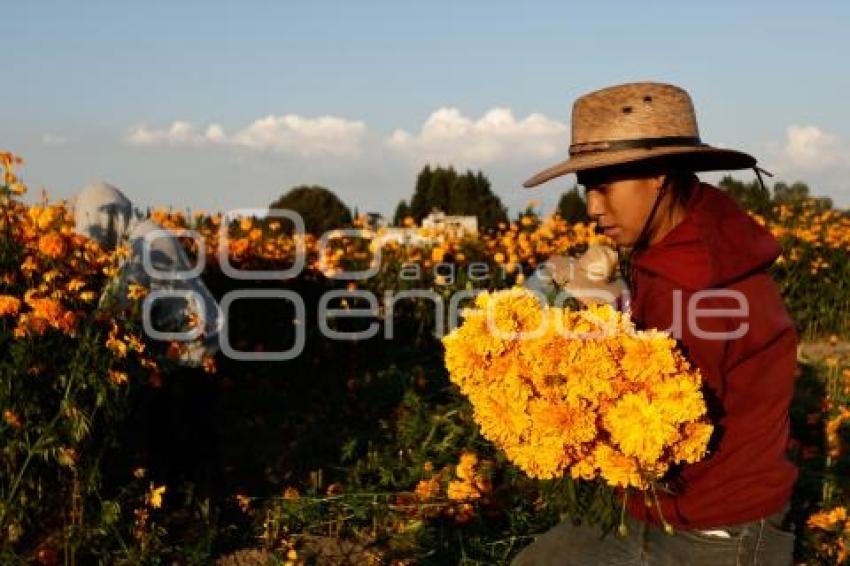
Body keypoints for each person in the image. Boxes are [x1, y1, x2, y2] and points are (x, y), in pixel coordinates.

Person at [511, 82, 798, 565]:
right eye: (587, 189)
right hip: (652, 505)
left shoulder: (703, 283)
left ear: (660, 176)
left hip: (719, 526)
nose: (593, 208)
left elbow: (662, 423)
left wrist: (555, 379)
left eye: (605, 188)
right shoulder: (677, 237)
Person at [74, 180, 224, 501]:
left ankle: (191, 510)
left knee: (175, 430)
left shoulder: (142, 247)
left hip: (192, 351)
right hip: (199, 341)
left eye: (96, 229)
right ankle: (199, 503)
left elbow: (114, 307)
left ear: (108, 217)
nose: (98, 242)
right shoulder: (149, 233)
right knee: (194, 431)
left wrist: (80, 332)